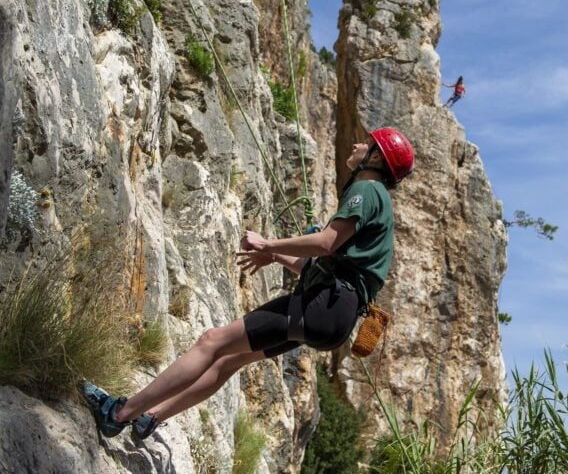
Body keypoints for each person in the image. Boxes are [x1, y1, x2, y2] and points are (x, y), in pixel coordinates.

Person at [83, 127, 415, 440]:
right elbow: (329, 266)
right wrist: (276, 257)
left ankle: (120, 414)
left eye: (365, 144)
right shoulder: (380, 202)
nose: (357, 145)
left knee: (211, 341)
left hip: (323, 305)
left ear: (374, 158)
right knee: (230, 360)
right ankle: (151, 417)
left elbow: (325, 244)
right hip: (333, 315)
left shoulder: (366, 190)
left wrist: (268, 245)